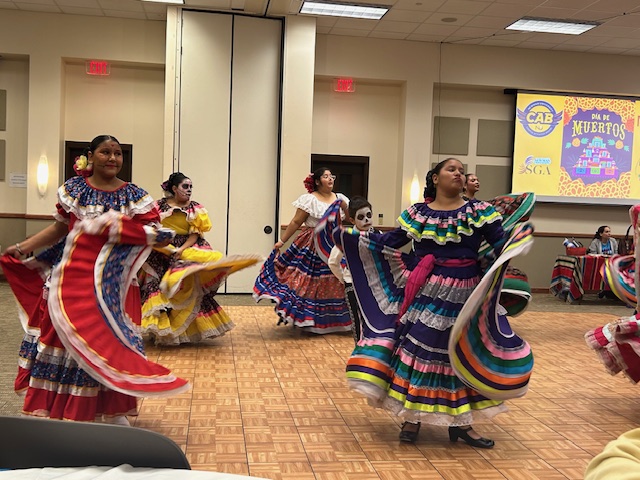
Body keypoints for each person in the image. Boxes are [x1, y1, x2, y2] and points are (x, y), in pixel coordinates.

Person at [337, 158, 533, 447]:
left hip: (466, 292)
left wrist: (519, 239)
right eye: (451, 169)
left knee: (461, 354)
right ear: (435, 178)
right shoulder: (418, 213)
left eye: (461, 171)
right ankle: (412, 417)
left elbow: (499, 242)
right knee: (419, 351)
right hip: (427, 289)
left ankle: (462, 425)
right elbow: (391, 240)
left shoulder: (478, 212)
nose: (459, 173)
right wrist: (352, 240)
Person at [0, 135, 188, 424]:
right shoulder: (74, 190)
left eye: (117, 154)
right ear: (91, 156)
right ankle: (62, 410)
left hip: (112, 286)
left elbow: (150, 234)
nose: (112, 158)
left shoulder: (134, 197)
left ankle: (112, 414)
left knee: (107, 342)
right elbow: (60, 229)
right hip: (69, 281)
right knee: (65, 339)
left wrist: (123, 231)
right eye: (105, 152)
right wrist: (24, 247)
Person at [140, 172, 260, 345]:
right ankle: (160, 331)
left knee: (186, 286)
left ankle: (183, 333)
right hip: (161, 250)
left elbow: (195, 234)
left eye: (191, 187)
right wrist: (163, 245)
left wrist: (181, 249)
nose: (189, 190)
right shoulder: (159, 206)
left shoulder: (195, 208)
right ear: (174, 189)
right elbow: (152, 227)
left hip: (186, 248)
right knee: (160, 288)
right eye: (185, 187)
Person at [253, 167, 351, 333]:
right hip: (312, 244)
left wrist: (345, 208)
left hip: (334, 243)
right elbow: (296, 222)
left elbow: (349, 218)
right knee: (309, 281)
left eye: (331, 176)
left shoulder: (340, 198)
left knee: (338, 278)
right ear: (318, 181)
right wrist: (281, 241)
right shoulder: (310, 200)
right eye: (326, 176)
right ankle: (305, 318)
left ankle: (336, 320)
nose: (330, 179)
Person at [327, 196, 377, 343]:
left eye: (369, 215)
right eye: (361, 217)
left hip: (375, 284)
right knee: (357, 320)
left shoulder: (378, 235)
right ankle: (359, 352)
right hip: (353, 285)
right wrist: (344, 278)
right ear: (352, 220)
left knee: (376, 319)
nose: (366, 220)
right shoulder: (346, 237)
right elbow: (332, 262)